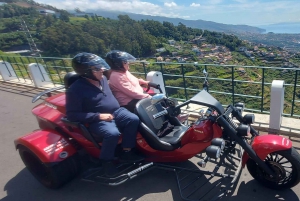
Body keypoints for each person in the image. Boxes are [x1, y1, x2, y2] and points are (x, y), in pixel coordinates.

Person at [65, 52, 144, 176]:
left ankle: (126, 152)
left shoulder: (102, 79)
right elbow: (72, 115)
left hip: (116, 111)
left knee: (133, 119)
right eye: (97, 68)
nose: (102, 70)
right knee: (112, 133)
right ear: (86, 72)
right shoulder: (75, 90)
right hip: (98, 119)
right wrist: (98, 116)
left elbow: (122, 79)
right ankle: (106, 161)